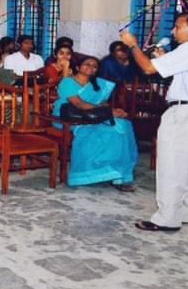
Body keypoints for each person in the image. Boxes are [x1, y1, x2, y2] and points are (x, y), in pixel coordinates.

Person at [120, 10, 188, 232]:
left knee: (173, 163)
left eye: (178, 26)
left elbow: (148, 68)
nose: (173, 31)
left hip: (185, 113)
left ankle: (167, 218)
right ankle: (187, 211)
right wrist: (166, 59)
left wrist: (132, 45)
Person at [52, 56, 138, 190]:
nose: (90, 67)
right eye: (87, 64)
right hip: (71, 119)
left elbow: (102, 103)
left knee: (123, 126)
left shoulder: (98, 83)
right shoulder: (68, 82)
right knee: (106, 132)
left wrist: (114, 110)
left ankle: (118, 175)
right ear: (78, 67)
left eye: (94, 66)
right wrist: (109, 112)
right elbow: (78, 104)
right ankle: (92, 171)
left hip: (94, 116)